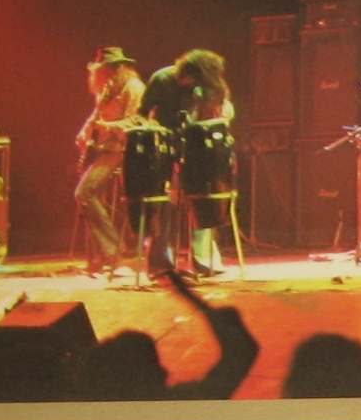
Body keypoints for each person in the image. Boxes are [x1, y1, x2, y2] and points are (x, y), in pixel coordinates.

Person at [140, 48, 238, 280]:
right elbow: (142, 112)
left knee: (203, 200)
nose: (188, 83)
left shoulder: (208, 84)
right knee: (163, 203)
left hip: (196, 148)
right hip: (165, 144)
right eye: (186, 79)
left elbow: (225, 109)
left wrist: (219, 116)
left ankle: (205, 260)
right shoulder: (162, 78)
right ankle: (160, 261)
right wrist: (153, 129)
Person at [73, 46, 142, 278]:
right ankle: (98, 259)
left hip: (120, 150)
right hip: (102, 149)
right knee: (89, 201)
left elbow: (137, 121)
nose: (98, 75)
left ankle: (114, 254)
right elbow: (95, 116)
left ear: (116, 68)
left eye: (103, 70)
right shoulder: (107, 90)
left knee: (85, 193)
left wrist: (109, 127)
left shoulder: (133, 87)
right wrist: (85, 132)